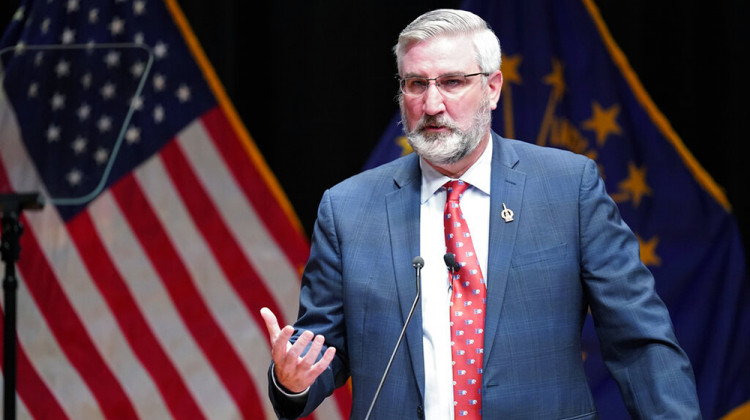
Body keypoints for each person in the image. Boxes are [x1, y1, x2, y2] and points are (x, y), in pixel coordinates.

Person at [261, 8, 701, 420]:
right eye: (416, 84)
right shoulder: (348, 209)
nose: (431, 105)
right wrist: (291, 379)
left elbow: (641, 343)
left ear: (492, 89)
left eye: (451, 82)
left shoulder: (567, 188)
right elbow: (321, 348)